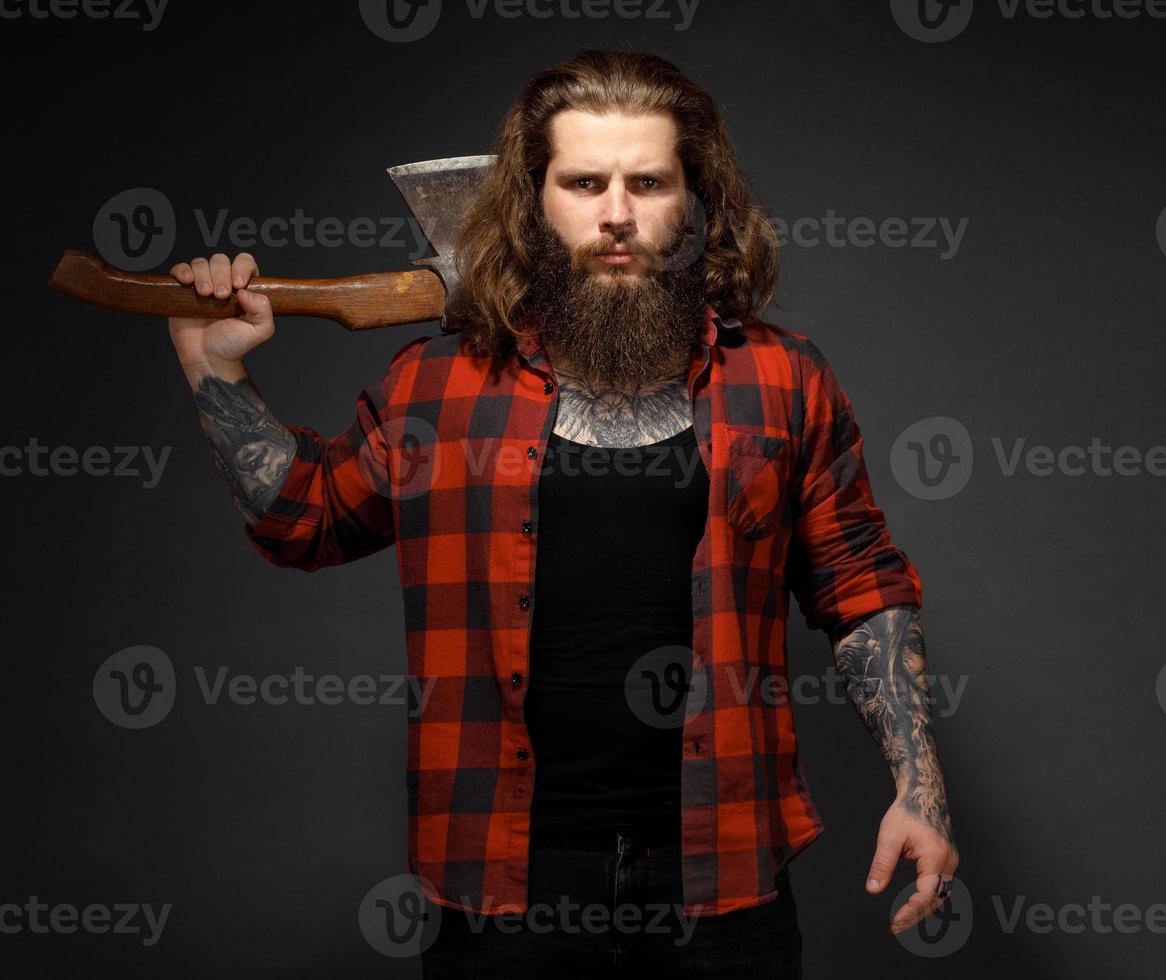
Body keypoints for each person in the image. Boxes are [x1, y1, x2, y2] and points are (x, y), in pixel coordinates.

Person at [165, 48, 958, 979]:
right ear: (534, 201)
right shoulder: (435, 386)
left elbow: (861, 585)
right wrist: (213, 368)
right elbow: (303, 519)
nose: (616, 215)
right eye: (584, 183)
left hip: (723, 881)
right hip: (504, 890)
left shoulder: (785, 379)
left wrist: (921, 785)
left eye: (647, 182)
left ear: (696, 202)